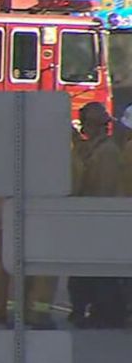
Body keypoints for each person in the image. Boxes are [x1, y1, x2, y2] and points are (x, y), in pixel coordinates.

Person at [69, 101, 125, 327]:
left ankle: (104, 313)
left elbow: (101, 189)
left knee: (99, 273)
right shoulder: (94, 148)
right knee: (83, 272)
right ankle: (83, 310)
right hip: (90, 219)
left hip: (99, 219)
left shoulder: (107, 153)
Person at [0, 195, 57, 328]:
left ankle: (0, 311)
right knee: (41, 266)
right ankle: (37, 313)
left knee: (4, 266)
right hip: (39, 215)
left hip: (2, 215)